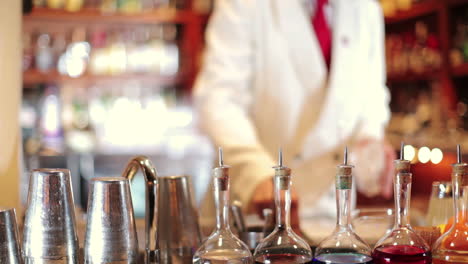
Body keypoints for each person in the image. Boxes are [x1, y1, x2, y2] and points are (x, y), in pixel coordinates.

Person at [194, 0, 395, 226]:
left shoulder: (366, 8)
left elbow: (373, 93)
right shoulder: (243, 5)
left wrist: (370, 136)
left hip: (333, 212)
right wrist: (257, 172)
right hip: (255, 216)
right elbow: (219, 100)